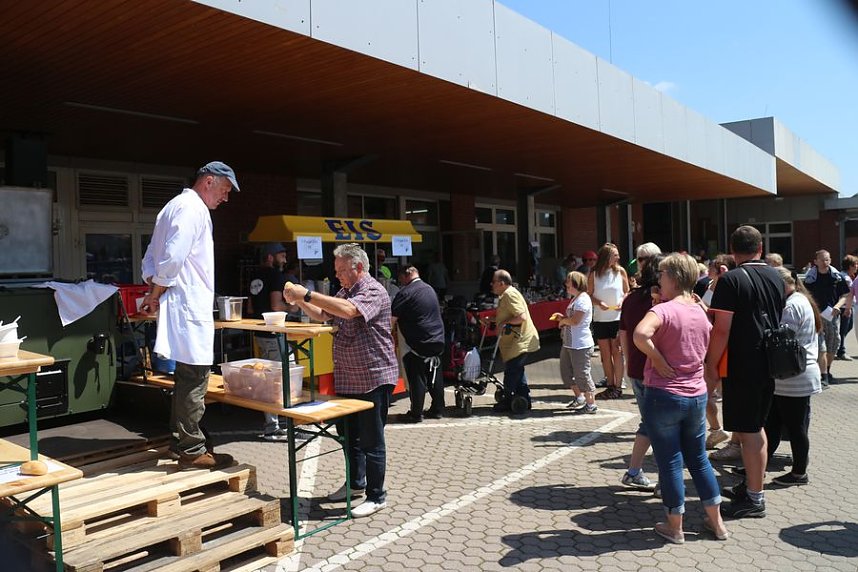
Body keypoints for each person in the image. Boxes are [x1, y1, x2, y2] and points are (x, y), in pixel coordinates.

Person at [282, 243, 397, 518]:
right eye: (336, 271)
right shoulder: (346, 291)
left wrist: (307, 293)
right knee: (349, 436)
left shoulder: (372, 290)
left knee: (372, 440)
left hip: (373, 377)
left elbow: (348, 311)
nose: (338, 276)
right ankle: (355, 485)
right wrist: (300, 301)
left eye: (342, 270)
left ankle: (376, 495)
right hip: (348, 378)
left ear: (359, 267)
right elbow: (324, 315)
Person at [140, 160, 239, 471]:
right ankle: (192, 449)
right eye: (225, 190)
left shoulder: (172, 207)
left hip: (180, 303)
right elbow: (172, 258)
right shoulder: (192, 209)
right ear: (208, 181)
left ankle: (181, 441)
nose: (226, 197)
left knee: (185, 377)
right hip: (187, 305)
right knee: (194, 377)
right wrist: (155, 293)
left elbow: (150, 258)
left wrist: (153, 289)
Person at [634, 253, 728, 543]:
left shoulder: (663, 310)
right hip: (696, 395)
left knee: (671, 461)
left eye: (662, 275)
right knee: (699, 459)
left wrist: (657, 358)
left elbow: (640, 334)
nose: (659, 279)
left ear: (673, 278)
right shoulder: (700, 310)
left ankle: (675, 527)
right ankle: (718, 524)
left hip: (664, 394)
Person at [705, 225, 786, 519]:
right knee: (755, 428)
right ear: (760, 249)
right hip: (768, 363)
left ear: (732, 250)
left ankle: (754, 498)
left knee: (750, 432)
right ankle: (752, 486)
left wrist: (711, 365)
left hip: (743, 365)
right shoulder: (776, 276)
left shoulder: (731, 280)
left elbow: (721, 329)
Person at [764, 266, 822, 486]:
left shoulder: (791, 305)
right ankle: (759, 464)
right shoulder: (799, 299)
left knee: (796, 428)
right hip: (790, 377)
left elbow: (780, 338)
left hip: (794, 377)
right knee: (773, 425)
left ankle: (799, 473)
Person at [617, 250, 664, 492]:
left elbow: (623, 333)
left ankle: (634, 471)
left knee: (650, 421)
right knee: (664, 426)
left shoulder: (631, 299)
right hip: (659, 370)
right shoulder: (663, 301)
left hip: (637, 367)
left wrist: (628, 363)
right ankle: (664, 481)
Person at [247, 242, 292, 441]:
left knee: (267, 377)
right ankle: (274, 426)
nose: (285, 259)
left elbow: (250, 308)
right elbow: (275, 305)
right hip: (274, 334)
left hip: (259, 333)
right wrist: (293, 307)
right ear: (270, 257)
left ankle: (273, 423)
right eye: (282, 255)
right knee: (283, 376)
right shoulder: (276, 276)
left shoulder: (254, 276)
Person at [392, 266, 446, 422]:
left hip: (418, 342)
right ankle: (438, 409)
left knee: (417, 377)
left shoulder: (405, 293)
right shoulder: (429, 289)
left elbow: (391, 320)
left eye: (401, 278)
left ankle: (416, 413)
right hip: (437, 339)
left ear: (407, 275)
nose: (400, 282)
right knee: (435, 374)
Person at [698, 254, 736, 451]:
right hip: (710, 344)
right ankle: (717, 430)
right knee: (706, 393)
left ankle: (734, 440)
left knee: (725, 395)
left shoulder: (727, 286)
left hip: (721, 346)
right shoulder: (711, 284)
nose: (709, 268)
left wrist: (701, 306)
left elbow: (719, 316)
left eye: (713, 266)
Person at [490, 269, 540, 413]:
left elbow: (521, 317)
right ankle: (525, 399)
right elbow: (509, 315)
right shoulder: (506, 295)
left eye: (493, 282)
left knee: (512, 371)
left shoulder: (509, 294)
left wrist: (503, 324)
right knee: (517, 371)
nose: (491, 284)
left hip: (520, 341)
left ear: (501, 283)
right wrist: (493, 320)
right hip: (517, 341)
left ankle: (507, 400)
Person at [588, 243, 629, 399]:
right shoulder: (594, 273)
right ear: (607, 256)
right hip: (600, 318)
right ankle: (610, 385)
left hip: (617, 318)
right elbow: (589, 294)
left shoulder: (620, 271)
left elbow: (627, 291)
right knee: (605, 354)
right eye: (615, 255)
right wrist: (599, 303)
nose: (618, 257)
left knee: (617, 352)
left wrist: (622, 302)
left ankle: (618, 386)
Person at [804, 249, 851, 386]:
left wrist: (838, 306)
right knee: (821, 345)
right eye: (822, 259)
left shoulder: (837, 277)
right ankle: (822, 374)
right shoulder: (810, 278)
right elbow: (804, 295)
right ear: (816, 261)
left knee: (833, 343)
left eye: (828, 259)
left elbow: (845, 295)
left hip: (832, 316)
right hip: (816, 316)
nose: (825, 262)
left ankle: (827, 371)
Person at [553, 271, 597, 414]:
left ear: (576, 283)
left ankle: (591, 404)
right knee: (566, 373)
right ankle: (580, 397)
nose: (566, 283)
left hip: (580, 344)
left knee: (582, 374)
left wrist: (563, 321)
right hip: (569, 343)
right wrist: (562, 318)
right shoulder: (575, 298)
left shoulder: (583, 299)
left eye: (569, 281)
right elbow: (571, 319)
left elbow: (576, 321)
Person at [836, 254, 857, 360]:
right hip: (845, 306)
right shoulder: (846, 278)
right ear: (850, 266)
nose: (857, 266)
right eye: (855, 264)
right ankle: (841, 350)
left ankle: (839, 346)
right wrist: (848, 308)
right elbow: (848, 294)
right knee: (845, 328)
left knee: (846, 328)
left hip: (844, 306)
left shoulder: (843, 275)